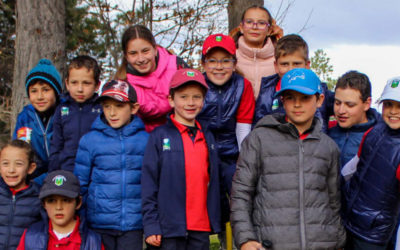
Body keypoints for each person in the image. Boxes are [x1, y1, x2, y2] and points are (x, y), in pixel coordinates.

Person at [231, 68, 346, 250]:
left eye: (305, 98)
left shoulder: (328, 147)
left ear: (319, 100)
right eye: (290, 97)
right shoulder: (259, 139)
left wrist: (338, 241)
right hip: (272, 244)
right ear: (282, 100)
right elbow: (241, 193)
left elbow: (333, 202)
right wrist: (245, 238)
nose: (297, 104)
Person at [142, 68, 221, 250]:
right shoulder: (159, 137)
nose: (190, 103)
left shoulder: (208, 137)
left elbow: (214, 181)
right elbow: (149, 185)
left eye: (196, 97)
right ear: (171, 99)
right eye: (183, 97)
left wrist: (216, 219)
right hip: (168, 229)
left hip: (200, 228)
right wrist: (151, 224)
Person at [74, 80, 149, 250]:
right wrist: (81, 220)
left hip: (133, 224)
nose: (112, 113)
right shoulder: (90, 141)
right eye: (107, 106)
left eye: (119, 106)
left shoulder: (146, 141)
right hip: (99, 223)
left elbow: (152, 184)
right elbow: (81, 185)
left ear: (134, 108)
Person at [342, 76, 400, 250]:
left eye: (399, 106)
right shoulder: (374, 132)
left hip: (373, 234)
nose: (393, 111)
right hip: (348, 220)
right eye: (388, 104)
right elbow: (350, 169)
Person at [197, 33, 255, 194]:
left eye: (225, 61)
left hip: (231, 155)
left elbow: (243, 127)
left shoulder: (243, 86)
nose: (219, 67)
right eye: (212, 61)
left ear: (235, 64)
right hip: (203, 153)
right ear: (203, 64)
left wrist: (244, 161)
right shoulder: (197, 85)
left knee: (237, 193)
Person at [253, 34, 334, 132]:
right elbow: (258, 128)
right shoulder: (267, 93)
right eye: (284, 64)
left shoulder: (321, 91)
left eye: (296, 64)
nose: (291, 70)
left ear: (307, 65)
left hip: (314, 145)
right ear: (276, 66)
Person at [114, 24, 188, 132]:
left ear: (155, 49)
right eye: (133, 53)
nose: (141, 59)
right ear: (126, 56)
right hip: (144, 140)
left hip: (180, 133)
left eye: (145, 51)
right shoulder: (123, 85)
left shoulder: (177, 66)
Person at [17, 170, 104, 249]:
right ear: (44, 204)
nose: (59, 207)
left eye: (66, 200)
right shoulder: (31, 236)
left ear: (78, 203)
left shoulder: (92, 242)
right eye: (51, 201)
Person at [49, 55, 102, 172]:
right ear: (67, 83)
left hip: (94, 171)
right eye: (74, 83)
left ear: (97, 85)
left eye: (86, 83)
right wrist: (53, 173)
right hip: (66, 170)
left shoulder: (102, 109)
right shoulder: (61, 109)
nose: (80, 89)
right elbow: (56, 145)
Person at [13, 58, 62, 178]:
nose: (40, 97)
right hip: (33, 177)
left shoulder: (65, 114)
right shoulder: (25, 118)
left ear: (56, 92)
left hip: (60, 175)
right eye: (34, 91)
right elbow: (18, 151)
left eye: (46, 90)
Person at [328, 71, 380, 167]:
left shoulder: (379, 141)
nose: (341, 110)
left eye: (350, 105)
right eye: (337, 103)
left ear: (367, 104)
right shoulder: (327, 133)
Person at [230, 5, 283, 99]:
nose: (255, 27)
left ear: (269, 30)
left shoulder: (280, 59)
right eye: (249, 22)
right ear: (241, 27)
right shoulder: (230, 58)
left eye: (261, 23)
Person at [0, 140, 41, 250]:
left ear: (31, 168)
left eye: (18, 164)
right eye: (5, 163)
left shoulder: (39, 197)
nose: (11, 170)